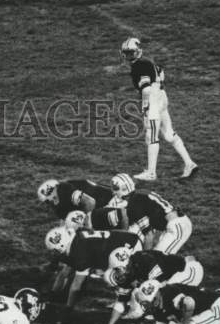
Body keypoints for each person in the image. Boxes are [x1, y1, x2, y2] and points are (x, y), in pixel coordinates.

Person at [120, 38, 198, 181]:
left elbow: (146, 89)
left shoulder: (138, 66)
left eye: (131, 53)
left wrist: (145, 106)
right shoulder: (147, 62)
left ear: (138, 52)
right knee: (168, 134)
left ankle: (151, 172)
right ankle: (189, 163)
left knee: (151, 136)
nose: (129, 56)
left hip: (153, 100)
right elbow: (161, 72)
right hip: (162, 96)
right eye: (127, 53)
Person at [100, 249, 206, 324]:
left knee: (166, 298)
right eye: (117, 270)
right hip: (173, 275)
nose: (121, 273)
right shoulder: (131, 269)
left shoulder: (146, 262)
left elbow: (156, 288)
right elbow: (120, 302)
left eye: (120, 268)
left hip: (189, 270)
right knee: (155, 298)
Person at [44, 225, 142, 309]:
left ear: (61, 246)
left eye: (54, 251)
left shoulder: (79, 253)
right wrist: (53, 293)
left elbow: (76, 285)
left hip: (129, 247)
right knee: (106, 270)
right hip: (125, 238)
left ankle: (136, 304)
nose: (54, 254)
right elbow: (65, 271)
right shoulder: (75, 238)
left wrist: (68, 308)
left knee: (114, 278)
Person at [109, 173, 193, 253]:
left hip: (177, 227)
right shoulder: (140, 193)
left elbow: (149, 235)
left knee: (157, 260)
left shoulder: (134, 204)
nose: (113, 192)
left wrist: (144, 256)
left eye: (115, 188)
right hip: (174, 224)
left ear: (124, 188)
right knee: (158, 257)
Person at [37, 177, 115, 220]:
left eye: (47, 201)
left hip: (111, 201)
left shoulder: (64, 190)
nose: (49, 205)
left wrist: (87, 222)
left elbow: (90, 202)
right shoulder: (61, 191)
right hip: (105, 199)